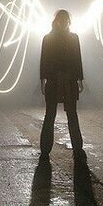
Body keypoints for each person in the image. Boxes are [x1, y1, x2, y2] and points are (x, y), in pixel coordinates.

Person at [39, 9, 86, 162]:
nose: (64, 22)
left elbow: (77, 59)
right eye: (62, 20)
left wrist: (79, 79)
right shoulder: (51, 38)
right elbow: (44, 60)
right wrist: (43, 79)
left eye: (66, 20)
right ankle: (47, 149)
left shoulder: (67, 38)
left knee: (69, 115)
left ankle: (75, 148)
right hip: (56, 80)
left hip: (66, 80)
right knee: (53, 115)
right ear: (57, 21)